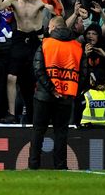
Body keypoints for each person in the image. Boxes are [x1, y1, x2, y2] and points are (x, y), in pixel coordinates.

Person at [29, 16, 87, 170]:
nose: (48, 29)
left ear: (53, 27)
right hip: (66, 98)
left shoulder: (45, 44)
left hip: (44, 96)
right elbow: (83, 74)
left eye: (49, 26)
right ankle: (61, 166)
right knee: (61, 132)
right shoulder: (77, 46)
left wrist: (52, 89)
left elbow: (38, 69)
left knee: (38, 131)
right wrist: (70, 90)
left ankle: (33, 165)